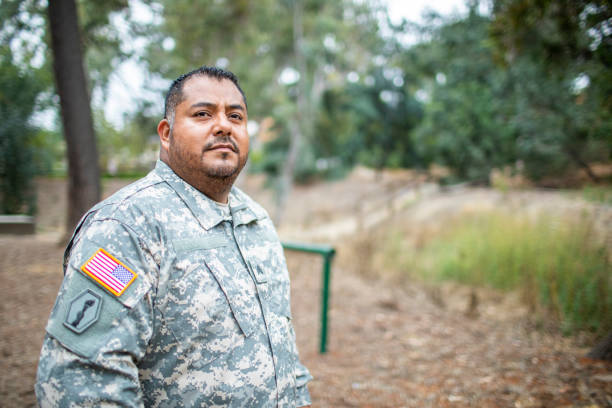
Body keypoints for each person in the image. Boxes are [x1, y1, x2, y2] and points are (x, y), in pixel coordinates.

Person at [35, 66, 312, 407]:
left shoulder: (255, 220)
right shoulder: (126, 227)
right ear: (166, 134)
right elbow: (82, 383)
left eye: (236, 116)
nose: (224, 125)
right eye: (202, 114)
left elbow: (281, 346)